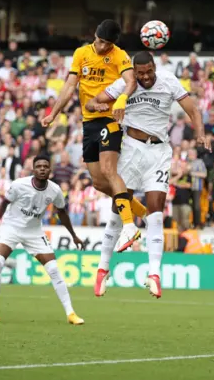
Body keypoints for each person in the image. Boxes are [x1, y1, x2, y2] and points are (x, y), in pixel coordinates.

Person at [84, 51, 208, 298]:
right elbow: (91, 103)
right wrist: (105, 105)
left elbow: (192, 110)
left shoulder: (169, 80)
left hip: (159, 152)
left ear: (154, 67)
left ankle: (154, 274)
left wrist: (201, 133)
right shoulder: (125, 83)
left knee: (156, 212)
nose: (145, 77)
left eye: (148, 71)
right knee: (119, 212)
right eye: (140, 73)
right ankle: (102, 269)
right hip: (130, 150)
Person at [40, 19, 143, 252]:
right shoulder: (81, 53)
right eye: (99, 41)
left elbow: (131, 82)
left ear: (113, 43)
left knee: (109, 171)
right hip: (89, 122)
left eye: (106, 43)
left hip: (110, 119)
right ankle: (137, 210)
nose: (101, 46)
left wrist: (122, 99)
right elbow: (68, 87)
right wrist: (54, 113)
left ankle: (129, 226)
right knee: (98, 182)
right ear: (94, 36)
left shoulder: (119, 55)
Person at [0, 155, 85, 324]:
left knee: (54, 269)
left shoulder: (55, 190)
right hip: (11, 228)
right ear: (33, 169)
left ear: (50, 170)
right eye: (39, 166)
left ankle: (71, 313)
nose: (42, 168)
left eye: (45, 166)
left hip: (34, 231)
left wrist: (74, 235)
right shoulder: (19, 185)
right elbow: (3, 205)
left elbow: (61, 213)